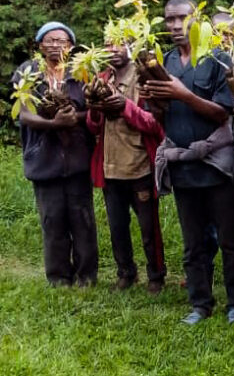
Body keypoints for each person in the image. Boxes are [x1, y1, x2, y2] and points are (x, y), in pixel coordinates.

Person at [146, 0, 234, 325]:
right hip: (183, 165)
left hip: (217, 164)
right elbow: (160, 116)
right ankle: (200, 304)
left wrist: (183, 95)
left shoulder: (218, 59)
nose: (175, 26)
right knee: (193, 242)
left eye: (182, 19)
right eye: (169, 20)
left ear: (197, 19)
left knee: (230, 239)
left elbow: (223, 112)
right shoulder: (165, 62)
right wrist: (156, 101)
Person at [12, 22, 98, 287]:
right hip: (44, 160)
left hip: (78, 159)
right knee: (53, 221)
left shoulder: (81, 72)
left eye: (62, 41)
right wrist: (53, 124)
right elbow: (25, 114)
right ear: (39, 45)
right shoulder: (28, 71)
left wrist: (75, 118)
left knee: (82, 221)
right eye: (49, 41)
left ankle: (87, 276)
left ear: (71, 46)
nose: (56, 46)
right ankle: (59, 277)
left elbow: (94, 110)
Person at [86, 39, 166, 294]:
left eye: (119, 44)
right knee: (117, 226)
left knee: (148, 228)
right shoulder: (101, 77)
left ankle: (156, 275)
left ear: (132, 45)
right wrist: (96, 110)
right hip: (110, 168)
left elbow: (157, 123)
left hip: (139, 165)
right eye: (107, 45)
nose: (112, 50)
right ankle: (126, 272)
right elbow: (93, 126)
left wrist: (125, 107)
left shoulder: (144, 77)